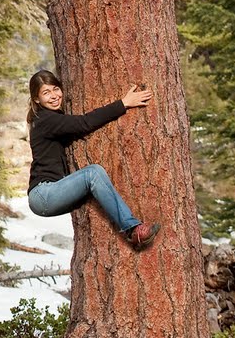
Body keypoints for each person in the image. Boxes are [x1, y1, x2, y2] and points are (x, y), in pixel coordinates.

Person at [26, 69, 159, 250]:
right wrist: (124, 103)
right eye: (46, 93)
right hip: (44, 194)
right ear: (36, 99)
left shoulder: (50, 118)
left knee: (92, 190)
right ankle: (132, 229)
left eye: (55, 89)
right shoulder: (45, 119)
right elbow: (84, 123)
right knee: (93, 173)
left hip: (50, 194)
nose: (54, 96)